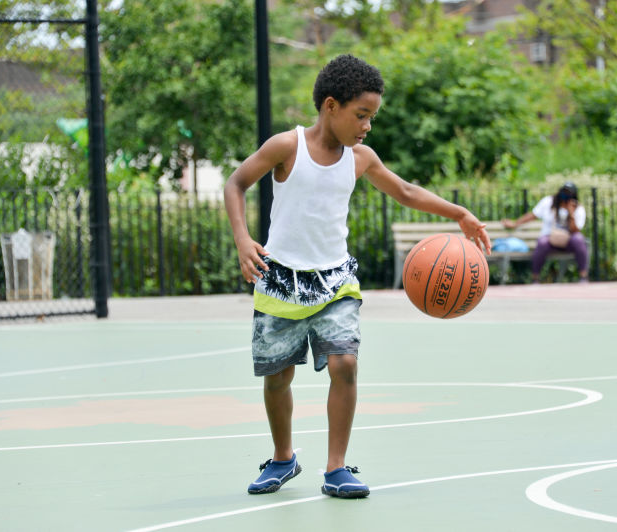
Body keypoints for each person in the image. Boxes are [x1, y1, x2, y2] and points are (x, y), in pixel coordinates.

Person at [224, 54, 491, 499]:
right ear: (331, 106)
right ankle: (283, 458)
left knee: (345, 365)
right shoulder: (286, 147)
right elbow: (235, 183)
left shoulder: (360, 158)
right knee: (278, 379)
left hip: (336, 281)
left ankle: (336, 468)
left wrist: (458, 212)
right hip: (282, 279)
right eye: (361, 115)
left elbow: (405, 191)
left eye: (371, 117)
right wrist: (242, 240)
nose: (367, 126)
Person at [501, 182, 589, 283]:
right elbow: (533, 215)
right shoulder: (549, 202)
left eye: (568, 193)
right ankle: (535, 278)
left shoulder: (578, 208)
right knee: (542, 242)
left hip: (569, 241)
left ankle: (583, 277)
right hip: (550, 239)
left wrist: (571, 213)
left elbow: (575, 230)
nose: (565, 196)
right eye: (564, 192)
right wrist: (515, 224)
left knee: (579, 239)